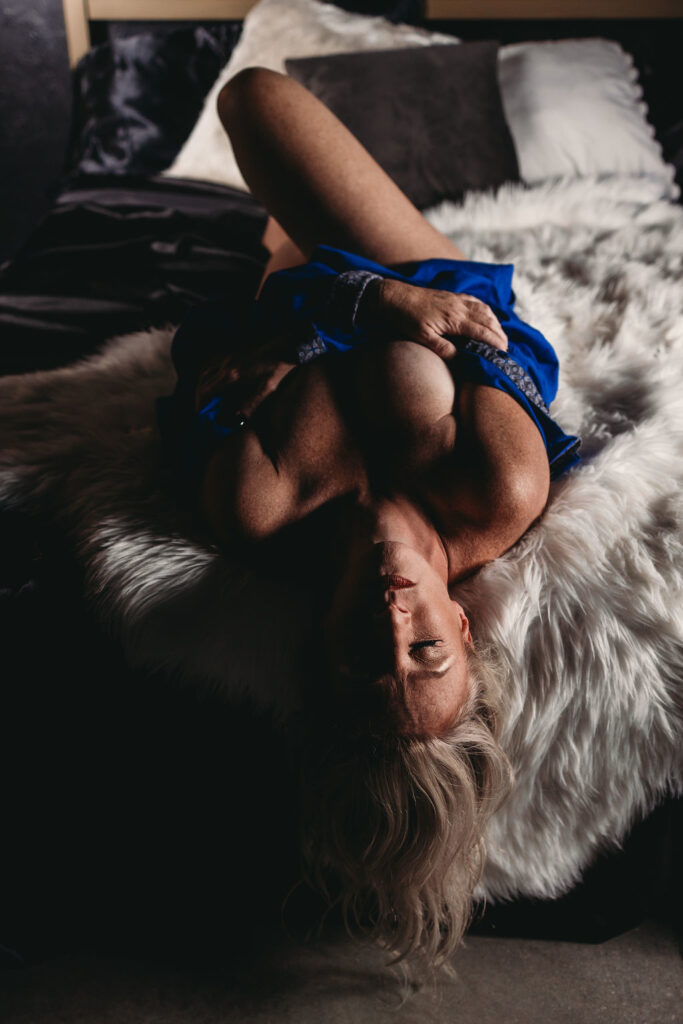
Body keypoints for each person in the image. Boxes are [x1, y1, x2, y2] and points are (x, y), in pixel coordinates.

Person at [157, 67, 581, 966]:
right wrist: (361, 303)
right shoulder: (497, 489)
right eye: (425, 649)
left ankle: (287, 225)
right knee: (252, 99)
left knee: (272, 205)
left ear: (323, 651)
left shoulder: (259, 504)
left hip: (310, 280)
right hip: (411, 257)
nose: (394, 618)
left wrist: (332, 316)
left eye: (364, 655)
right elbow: (499, 332)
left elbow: (203, 358)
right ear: (463, 627)